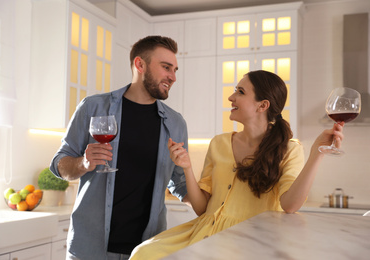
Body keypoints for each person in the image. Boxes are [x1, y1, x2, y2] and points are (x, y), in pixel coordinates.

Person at [129, 70, 345, 260]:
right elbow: (202, 208)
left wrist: (318, 153)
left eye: (240, 92)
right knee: (143, 253)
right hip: (204, 232)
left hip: (251, 240)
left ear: (263, 105)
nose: (231, 97)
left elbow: (290, 205)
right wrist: (186, 167)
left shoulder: (289, 149)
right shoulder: (219, 142)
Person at [49, 36, 189, 260]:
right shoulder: (94, 107)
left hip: (146, 251)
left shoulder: (175, 123)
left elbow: (180, 183)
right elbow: (59, 164)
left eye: (175, 70)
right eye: (166, 68)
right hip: (90, 249)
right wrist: (82, 163)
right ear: (140, 64)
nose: (172, 77)